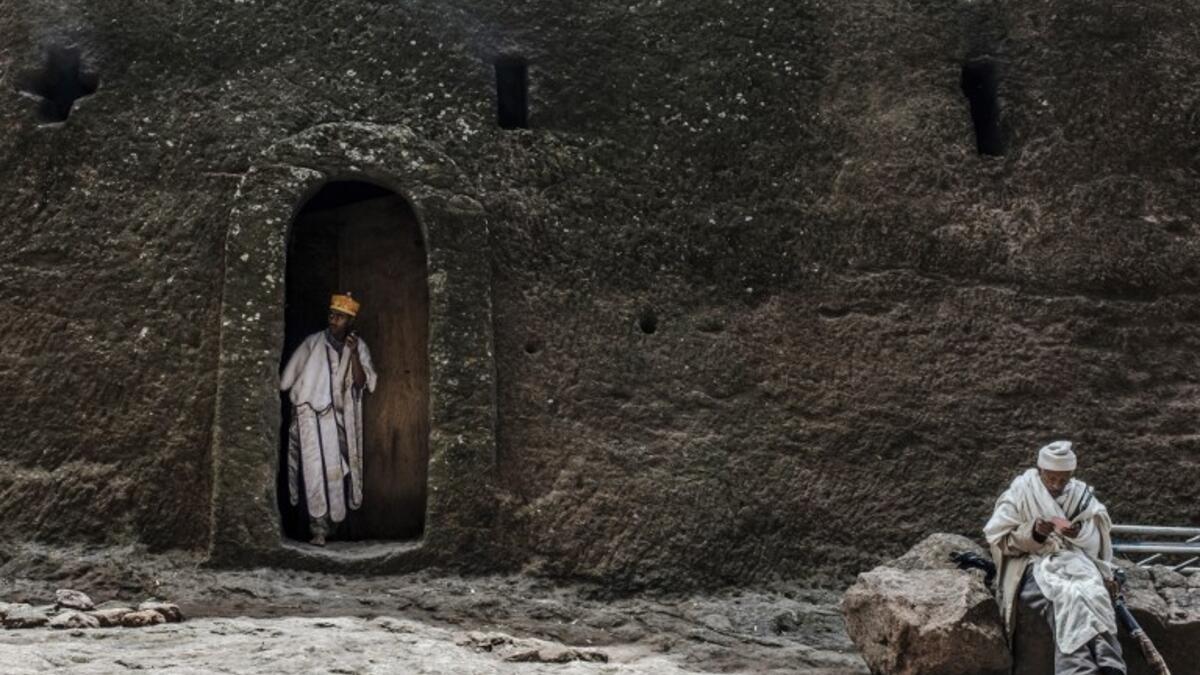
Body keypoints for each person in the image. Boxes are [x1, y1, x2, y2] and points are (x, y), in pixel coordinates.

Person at [984, 441, 1125, 674]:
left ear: (1071, 474)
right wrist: (1034, 533)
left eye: (1063, 479)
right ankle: (1079, 670)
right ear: (1041, 471)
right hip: (1035, 563)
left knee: (1093, 593)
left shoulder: (1081, 496)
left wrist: (1079, 533)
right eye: (1051, 478)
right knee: (1065, 597)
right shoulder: (1020, 492)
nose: (1057, 485)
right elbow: (1001, 540)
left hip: (1077, 561)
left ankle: (1110, 664)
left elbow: (1097, 541)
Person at [280, 293, 378, 546]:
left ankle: (334, 525)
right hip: (309, 413)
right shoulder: (313, 342)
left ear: (350, 322)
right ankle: (318, 529)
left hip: (338, 418)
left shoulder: (358, 346)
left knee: (336, 471)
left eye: (340, 317)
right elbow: (286, 380)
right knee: (313, 471)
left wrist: (354, 354)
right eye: (332, 315)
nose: (334, 320)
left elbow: (362, 383)